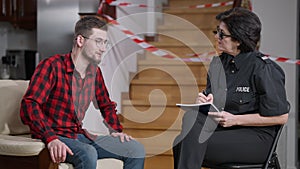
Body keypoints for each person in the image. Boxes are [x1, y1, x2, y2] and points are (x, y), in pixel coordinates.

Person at [20, 16, 145, 169]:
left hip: (80, 136)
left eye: (105, 42)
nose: (103, 48)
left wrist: (116, 130)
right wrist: (50, 138)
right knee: (88, 153)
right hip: (55, 134)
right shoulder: (52, 66)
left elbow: (106, 105)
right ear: (80, 41)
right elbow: (29, 105)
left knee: (135, 149)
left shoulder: (94, 72)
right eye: (98, 41)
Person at [172, 7, 289, 169]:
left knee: (186, 144)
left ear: (238, 40)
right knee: (191, 120)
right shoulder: (218, 64)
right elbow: (213, 102)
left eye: (222, 34)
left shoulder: (264, 69)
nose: (216, 37)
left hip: (256, 137)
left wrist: (236, 120)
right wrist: (203, 102)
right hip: (224, 130)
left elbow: (281, 117)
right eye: (217, 32)